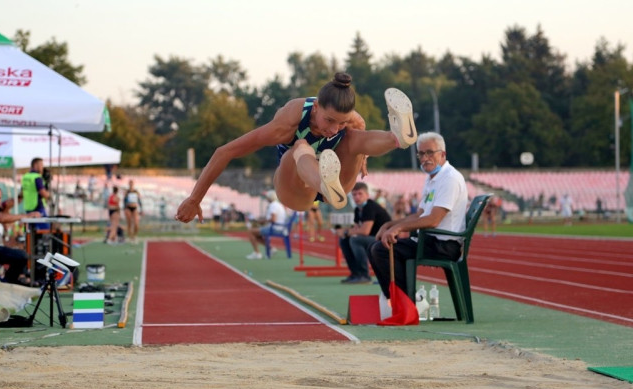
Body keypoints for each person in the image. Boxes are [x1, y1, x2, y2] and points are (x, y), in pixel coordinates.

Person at [175, 72, 417, 222]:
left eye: (341, 122)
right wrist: (195, 199)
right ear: (316, 107)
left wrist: (362, 158)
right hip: (297, 191)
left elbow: (358, 127)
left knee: (352, 137)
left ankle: (397, 137)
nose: (334, 129)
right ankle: (323, 182)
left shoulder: (351, 121)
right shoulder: (287, 122)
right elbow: (225, 151)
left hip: (339, 187)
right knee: (300, 145)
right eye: (329, 121)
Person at [367, 132, 468, 316]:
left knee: (381, 250)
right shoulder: (432, 179)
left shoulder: (449, 179)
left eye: (430, 152)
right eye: (421, 153)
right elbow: (420, 214)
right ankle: (401, 302)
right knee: (375, 247)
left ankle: (408, 303)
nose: (425, 158)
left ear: (443, 154)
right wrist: (390, 225)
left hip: (444, 245)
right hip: (430, 240)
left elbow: (433, 220)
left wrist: (398, 228)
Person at [339, 182, 391, 284]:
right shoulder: (357, 209)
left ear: (367, 195)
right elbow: (356, 228)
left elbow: (364, 231)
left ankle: (364, 275)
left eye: (360, 194)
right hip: (374, 238)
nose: (357, 197)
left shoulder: (370, 207)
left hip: (386, 240)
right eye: (354, 194)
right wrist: (346, 233)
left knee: (355, 240)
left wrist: (345, 231)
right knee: (344, 240)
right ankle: (355, 274)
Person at [0, 185, 41, 286]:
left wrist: (20, 196)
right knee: (21, 255)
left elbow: (8, 204)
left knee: (22, 253)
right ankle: (11, 282)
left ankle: (12, 281)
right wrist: (26, 216)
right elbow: (1, 218)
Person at [246, 190, 287, 260]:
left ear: (269, 198)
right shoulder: (277, 204)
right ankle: (270, 248)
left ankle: (257, 253)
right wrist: (261, 221)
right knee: (256, 234)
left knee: (250, 231)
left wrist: (261, 221)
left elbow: (273, 219)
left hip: (275, 228)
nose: (266, 198)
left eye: (267, 197)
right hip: (279, 227)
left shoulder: (273, 206)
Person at [19, 157, 50, 230]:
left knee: (31, 231)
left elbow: (21, 193)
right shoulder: (37, 177)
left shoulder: (25, 176)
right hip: (38, 207)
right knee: (45, 230)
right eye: (41, 165)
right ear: (35, 165)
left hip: (28, 207)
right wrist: (49, 194)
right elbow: (43, 193)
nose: (42, 167)